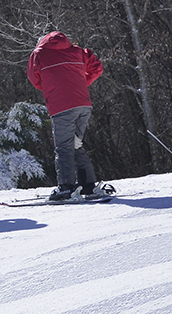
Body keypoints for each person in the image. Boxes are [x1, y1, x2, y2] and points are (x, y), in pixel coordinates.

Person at [26, 31, 111, 202]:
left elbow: (34, 79)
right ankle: (88, 185)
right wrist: (81, 82)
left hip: (61, 106)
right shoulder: (77, 51)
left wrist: (54, 86)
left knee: (64, 147)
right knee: (75, 144)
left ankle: (66, 187)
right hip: (83, 104)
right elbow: (97, 68)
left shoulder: (38, 54)